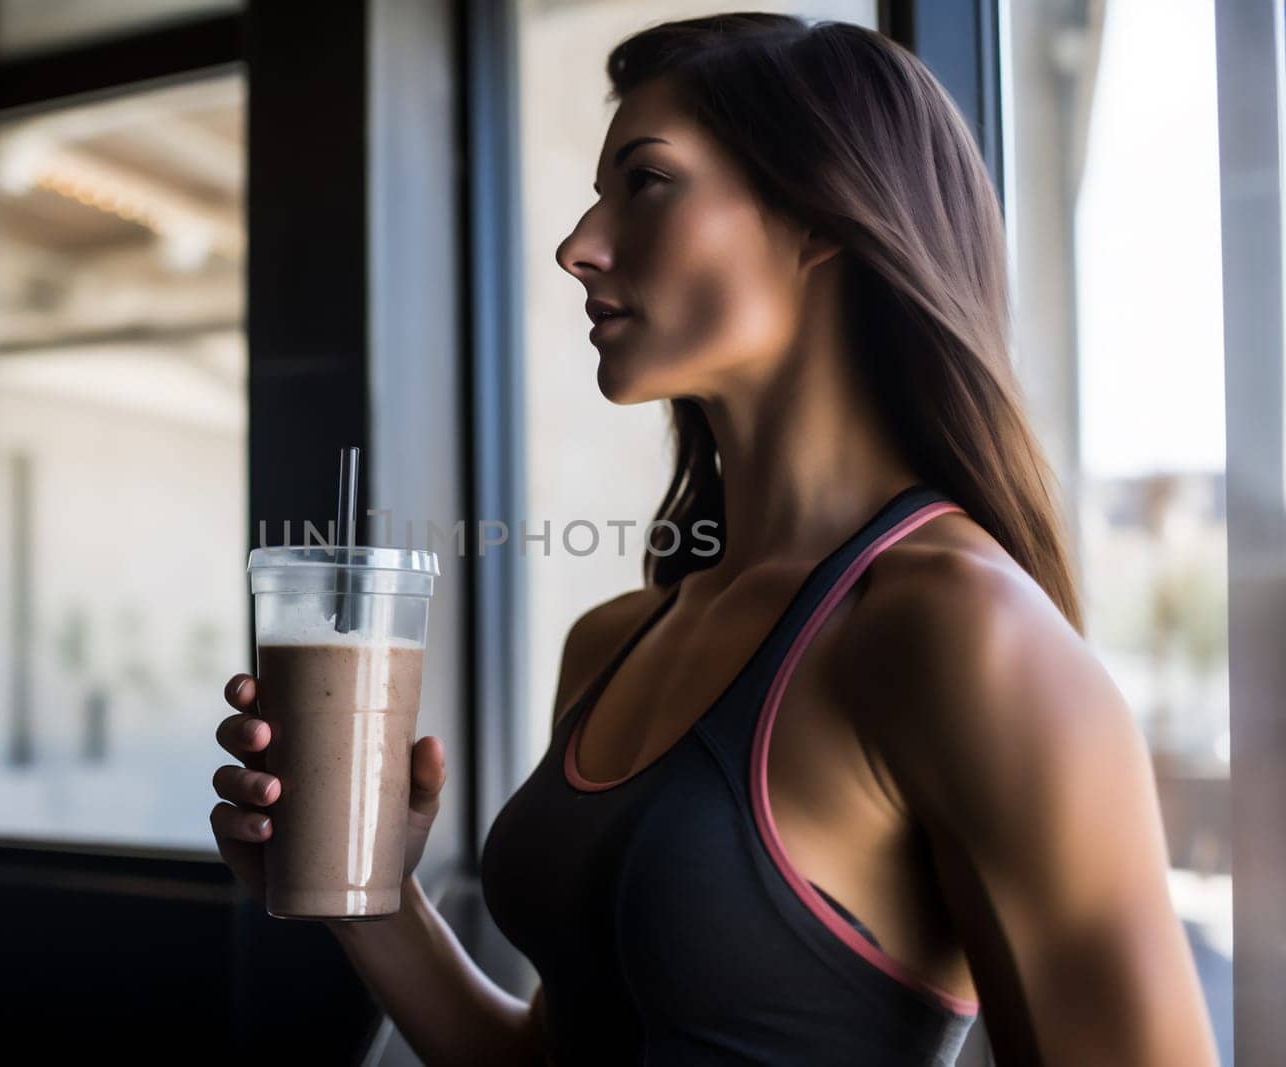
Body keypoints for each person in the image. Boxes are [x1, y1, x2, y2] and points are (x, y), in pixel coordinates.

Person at [211, 13, 1219, 1065]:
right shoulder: (611, 642)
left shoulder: (964, 634)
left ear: (824, 212)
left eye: (644, 182)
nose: (575, 245)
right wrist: (369, 896)